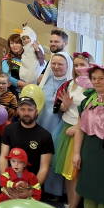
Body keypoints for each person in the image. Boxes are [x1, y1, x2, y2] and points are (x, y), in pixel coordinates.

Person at [74, 64, 104, 208]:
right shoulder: (86, 102)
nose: (97, 81)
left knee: (103, 194)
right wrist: (76, 153)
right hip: (88, 149)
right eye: (94, 78)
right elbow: (79, 129)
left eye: (101, 78)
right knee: (88, 191)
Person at [52, 51, 93, 208]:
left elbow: (93, 113)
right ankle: (70, 205)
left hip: (80, 131)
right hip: (66, 128)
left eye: (82, 65)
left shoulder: (92, 87)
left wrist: (78, 127)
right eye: (76, 65)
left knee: (75, 173)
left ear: (90, 66)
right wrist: (64, 106)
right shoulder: (70, 84)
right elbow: (61, 108)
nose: (78, 68)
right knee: (67, 172)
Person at [37, 52, 72, 198]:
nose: (56, 67)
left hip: (57, 126)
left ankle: (54, 191)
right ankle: (37, 186)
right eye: (53, 63)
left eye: (60, 64)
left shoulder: (70, 84)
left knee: (54, 158)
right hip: (41, 123)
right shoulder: (45, 79)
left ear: (67, 66)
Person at [0, 97, 54, 186]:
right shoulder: (9, 130)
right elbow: (3, 157)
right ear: (18, 111)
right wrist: (6, 183)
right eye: (22, 109)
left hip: (32, 184)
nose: (26, 113)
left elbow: (44, 168)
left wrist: (31, 189)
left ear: (36, 111)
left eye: (30, 110)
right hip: (10, 182)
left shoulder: (45, 136)